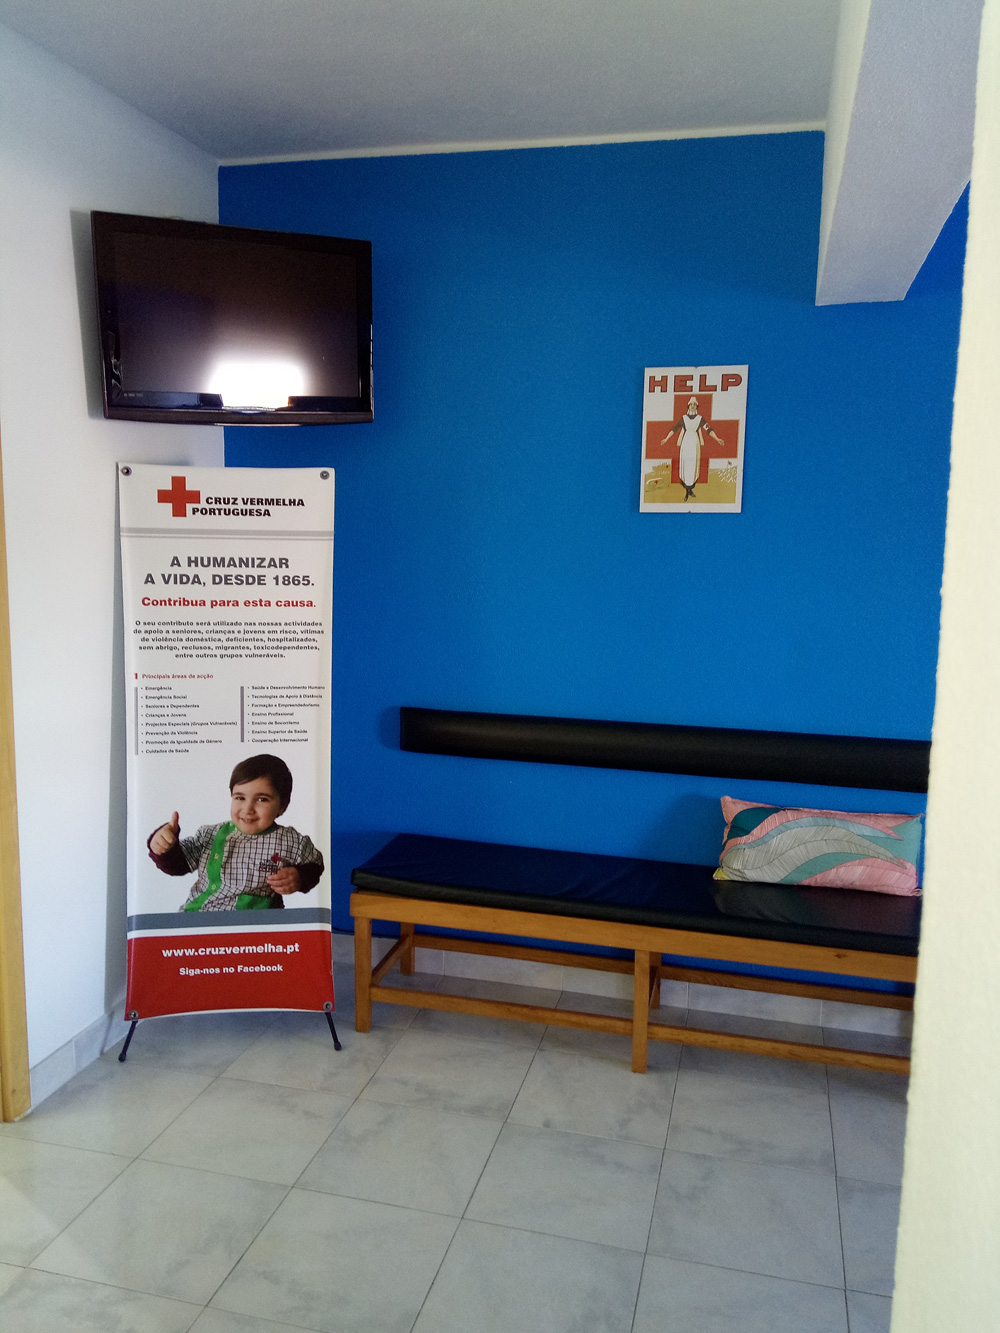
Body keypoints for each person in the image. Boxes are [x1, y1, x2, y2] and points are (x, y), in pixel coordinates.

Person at [148, 753, 324, 911]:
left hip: (256, 927)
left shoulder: (291, 841)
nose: (248, 809)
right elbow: (179, 865)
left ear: (282, 806)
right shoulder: (210, 835)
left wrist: (300, 877)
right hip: (200, 918)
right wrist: (164, 847)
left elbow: (314, 865)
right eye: (240, 798)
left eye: (262, 799)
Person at [660, 395, 728, 501]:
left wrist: (717, 438)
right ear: (688, 406)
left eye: (694, 404)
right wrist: (666, 438)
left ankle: (690, 489)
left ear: (697, 406)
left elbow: (709, 429)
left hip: (695, 443)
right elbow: (675, 428)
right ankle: (686, 491)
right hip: (686, 442)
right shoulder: (684, 418)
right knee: (686, 465)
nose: (692, 406)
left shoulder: (700, 419)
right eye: (691, 404)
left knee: (693, 465)